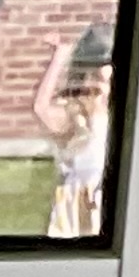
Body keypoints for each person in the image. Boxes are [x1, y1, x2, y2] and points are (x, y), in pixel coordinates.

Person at [32, 31, 107, 242]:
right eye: (95, 79)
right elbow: (41, 108)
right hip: (77, 203)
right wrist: (59, 57)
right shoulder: (78, 114)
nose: (101, 87)